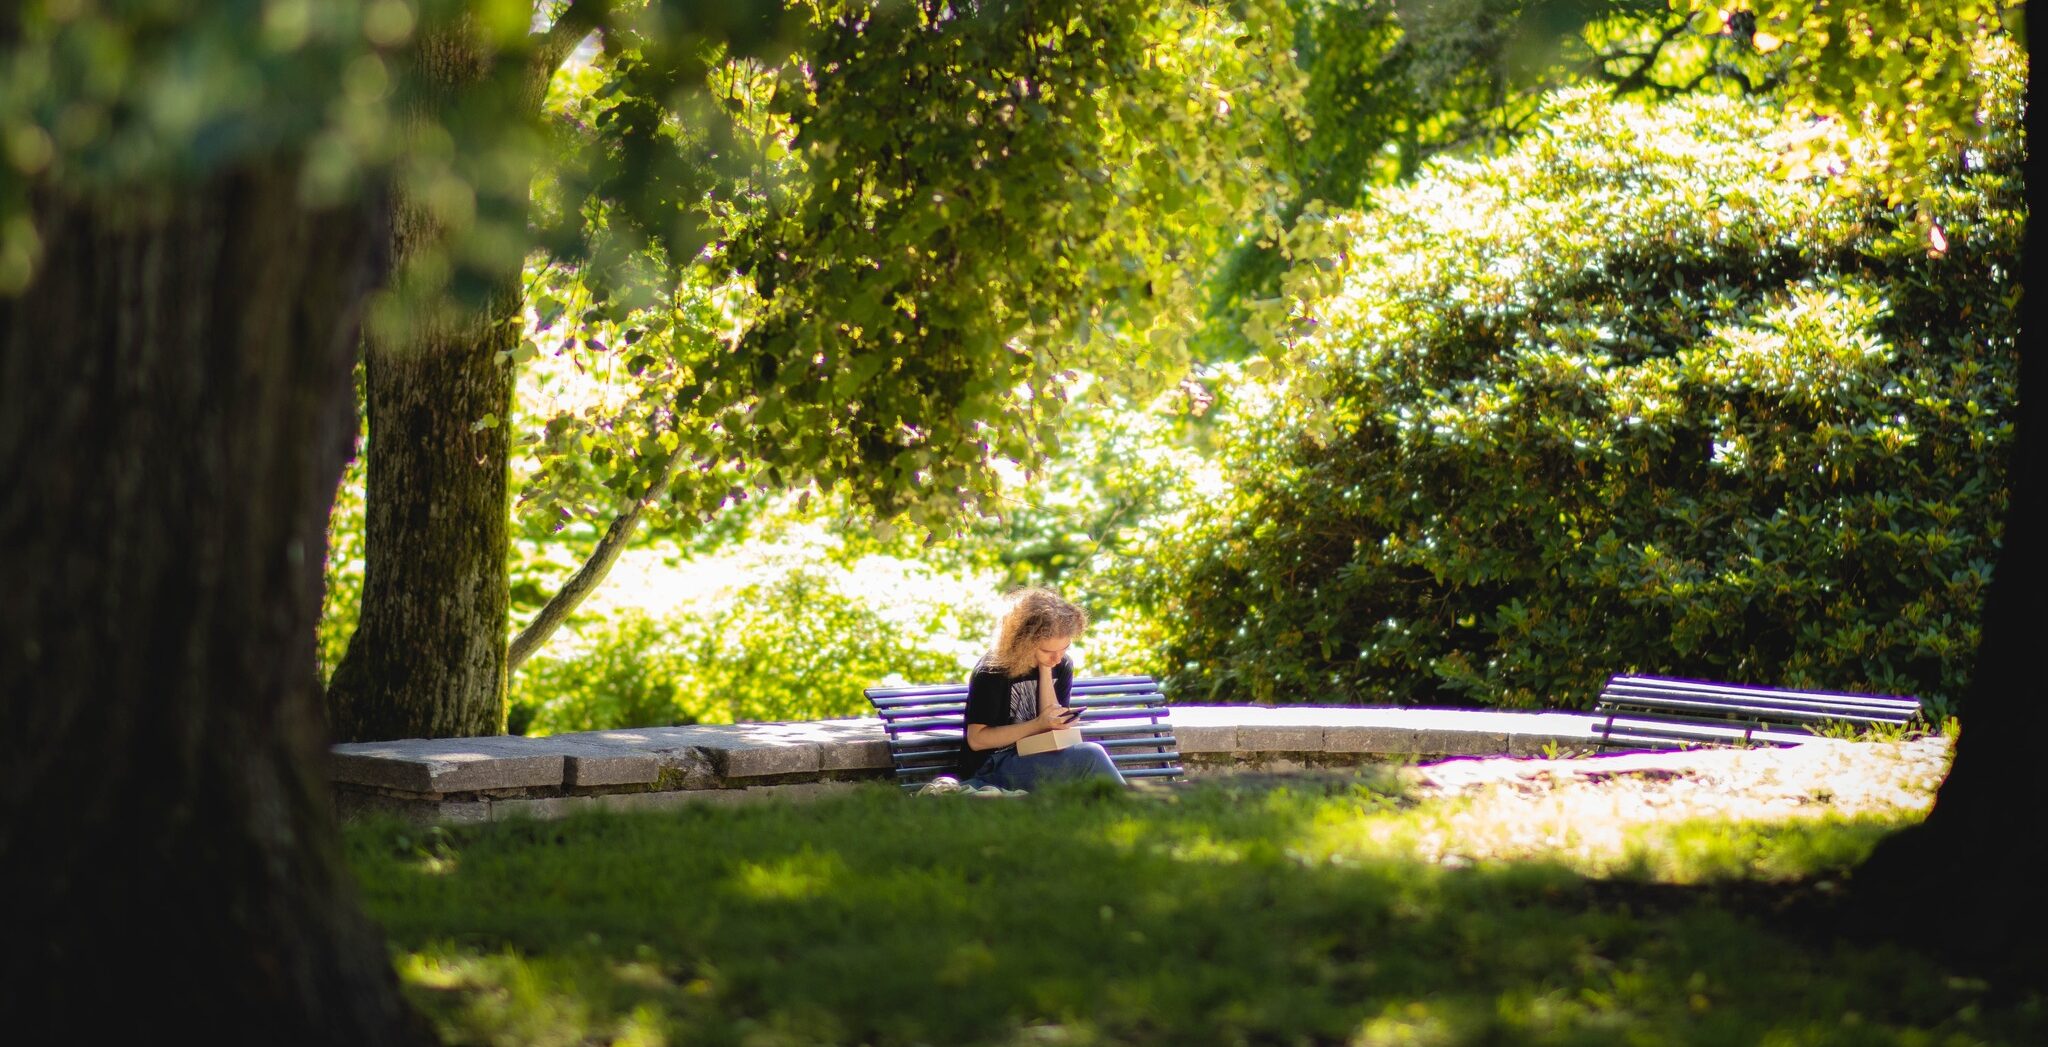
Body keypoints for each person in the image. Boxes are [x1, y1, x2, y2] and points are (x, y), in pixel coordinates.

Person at [937, 587, 1126, 794]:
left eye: (1064, 648)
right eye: (1047, 651)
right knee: (1091, 756)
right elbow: (977, 740)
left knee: (1088, 763)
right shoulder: (993, 670)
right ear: (1023, 643)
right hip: (992, 765)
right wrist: (1038, 724)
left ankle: (1122, 815)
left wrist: (1045, 669)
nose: (1057, 657)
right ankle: (1131, 812)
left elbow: (1052, 729)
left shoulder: (1060, 665)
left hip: (1037, 755)